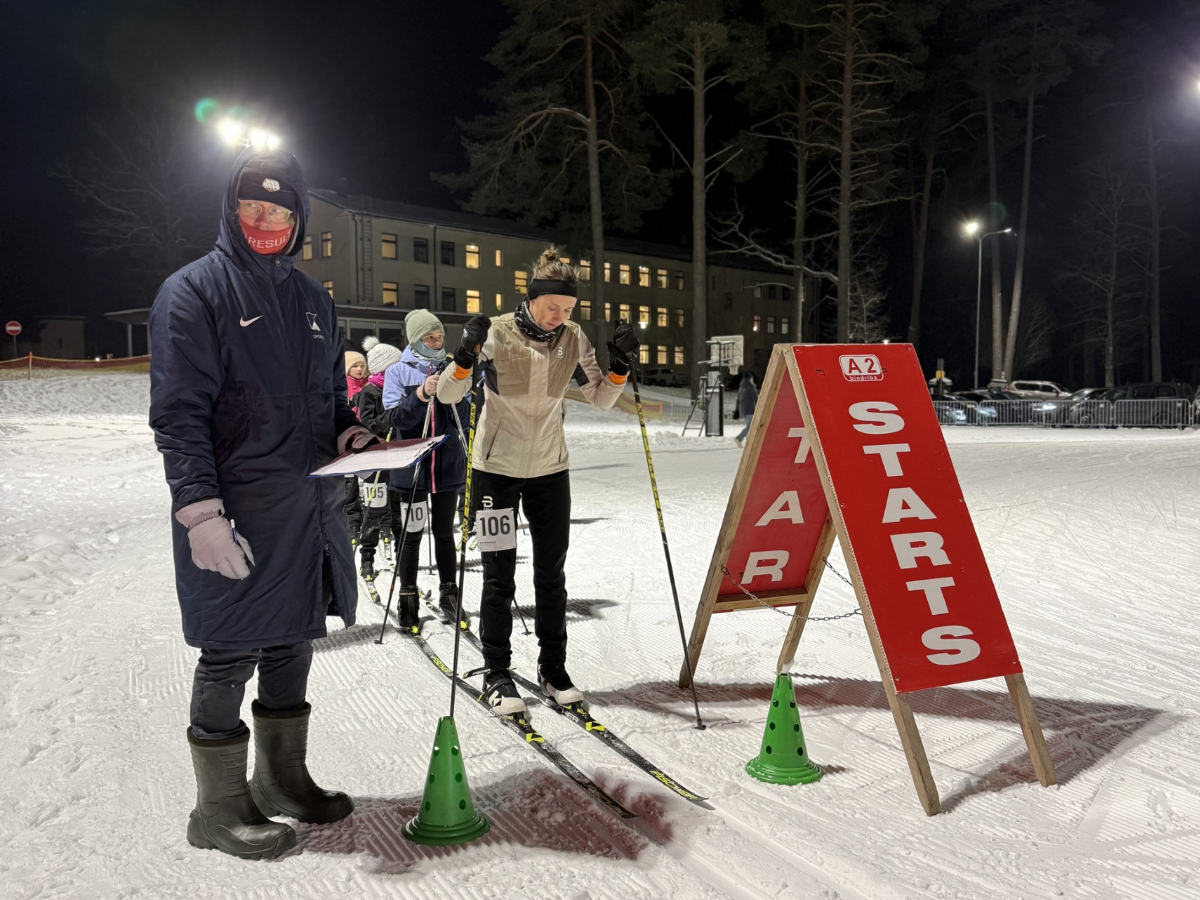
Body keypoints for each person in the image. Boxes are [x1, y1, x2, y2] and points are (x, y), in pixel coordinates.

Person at [149, 147, 369, 859]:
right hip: (238, 514)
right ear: (231, 209)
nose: (265, 219)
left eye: (279, 210)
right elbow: (180, 416)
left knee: (292, 645)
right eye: (252, 207)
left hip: (305, 512)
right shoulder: (194, 292)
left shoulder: (313, 302)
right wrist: (200, 515)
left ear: (298, 217)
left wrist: (353, 433)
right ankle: (216, 810)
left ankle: (281, 780)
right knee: (228, 654)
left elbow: (333, 402)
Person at [436, 247, 639, 715]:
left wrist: (620, 365)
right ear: (531, 299)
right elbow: (450, 392)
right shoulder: (497, 333)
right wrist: (465, 353)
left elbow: (601, 398)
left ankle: (554, 669)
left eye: (568, 310)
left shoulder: (573, 337)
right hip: (495, 472)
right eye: (553, 307)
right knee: (497, 577)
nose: (559, 317)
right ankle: (497, 672)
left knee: (552, 575)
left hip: (550, 471)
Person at [383, 309, 470, 629]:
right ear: (415, 339)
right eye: (429, 337)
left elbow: (464, 411)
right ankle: (408, 596)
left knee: (446, 532)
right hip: (412, 469)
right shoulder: (398, 372)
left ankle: (450, 593)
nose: (436, 341)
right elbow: (394, 420)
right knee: (411, 534)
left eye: (439, 336)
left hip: (446, 466)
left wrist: (455, 385)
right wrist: (421, 394)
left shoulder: (451, 366)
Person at [354, 336, 406, 585]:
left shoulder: (402, 388)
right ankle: (367, 560)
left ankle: (402, 557)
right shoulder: (369, 391)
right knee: (373, 512)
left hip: (398, 458)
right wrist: (391, 416)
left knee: (399, 514)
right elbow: (368, 424)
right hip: (377, 458)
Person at [343, 350, 370, 548]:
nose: (359, 369)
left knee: (369, 481)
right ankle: (353, 522)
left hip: (367, 438)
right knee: (350, 483)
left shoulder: (370, 386)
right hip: (348, 439)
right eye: (355, 366)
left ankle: (372, 521)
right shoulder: (342, 386)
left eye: (362, 365)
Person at [734, 371, 759, 447]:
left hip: (744, 410)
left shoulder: (741, 387)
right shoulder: (750, 387)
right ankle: (739, 438)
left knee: (751, 426)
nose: (752, 380)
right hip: (749, 410)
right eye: (751, 379)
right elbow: (755, 398)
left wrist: (737, 411)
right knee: (751, 426)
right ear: (749, 379)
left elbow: (738, 400)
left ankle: (750, 442)